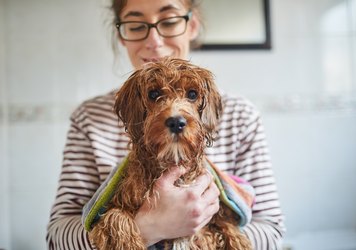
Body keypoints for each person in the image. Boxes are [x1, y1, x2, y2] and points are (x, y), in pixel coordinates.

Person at [46, 0, 286, 249]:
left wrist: (199, 240)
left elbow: (271, 230)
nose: (154, 41)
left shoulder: (240, 116)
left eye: (169, 22)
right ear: (121, 35)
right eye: (136, 25)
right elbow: (57, 236)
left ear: (192, 25)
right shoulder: (88, 118)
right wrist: (148, 229)